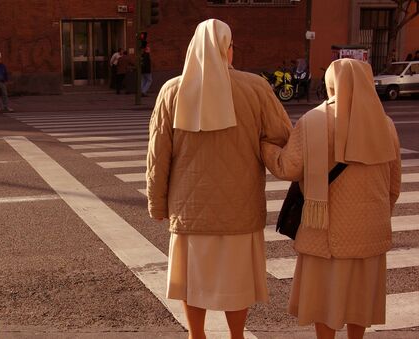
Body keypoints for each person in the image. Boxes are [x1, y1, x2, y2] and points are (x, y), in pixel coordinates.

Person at [146, 19, 292, 339]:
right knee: (235, 279)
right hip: (240, 206)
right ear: (227, 49)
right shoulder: (255, 87)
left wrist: (157, 203)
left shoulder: (172, 90)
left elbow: (158, 153)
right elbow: (282, 136)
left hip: (189, 208)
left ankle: (196, 334)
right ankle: (236, 335)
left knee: (192, 279)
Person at [261, 59, 401, 339]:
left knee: (324, 300)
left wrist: (266, 147)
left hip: (324, 231)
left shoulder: (314, 121)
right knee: (359, 298)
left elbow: (288, 168)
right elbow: (393, 186)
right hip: (370, 232)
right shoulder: (385, 125)